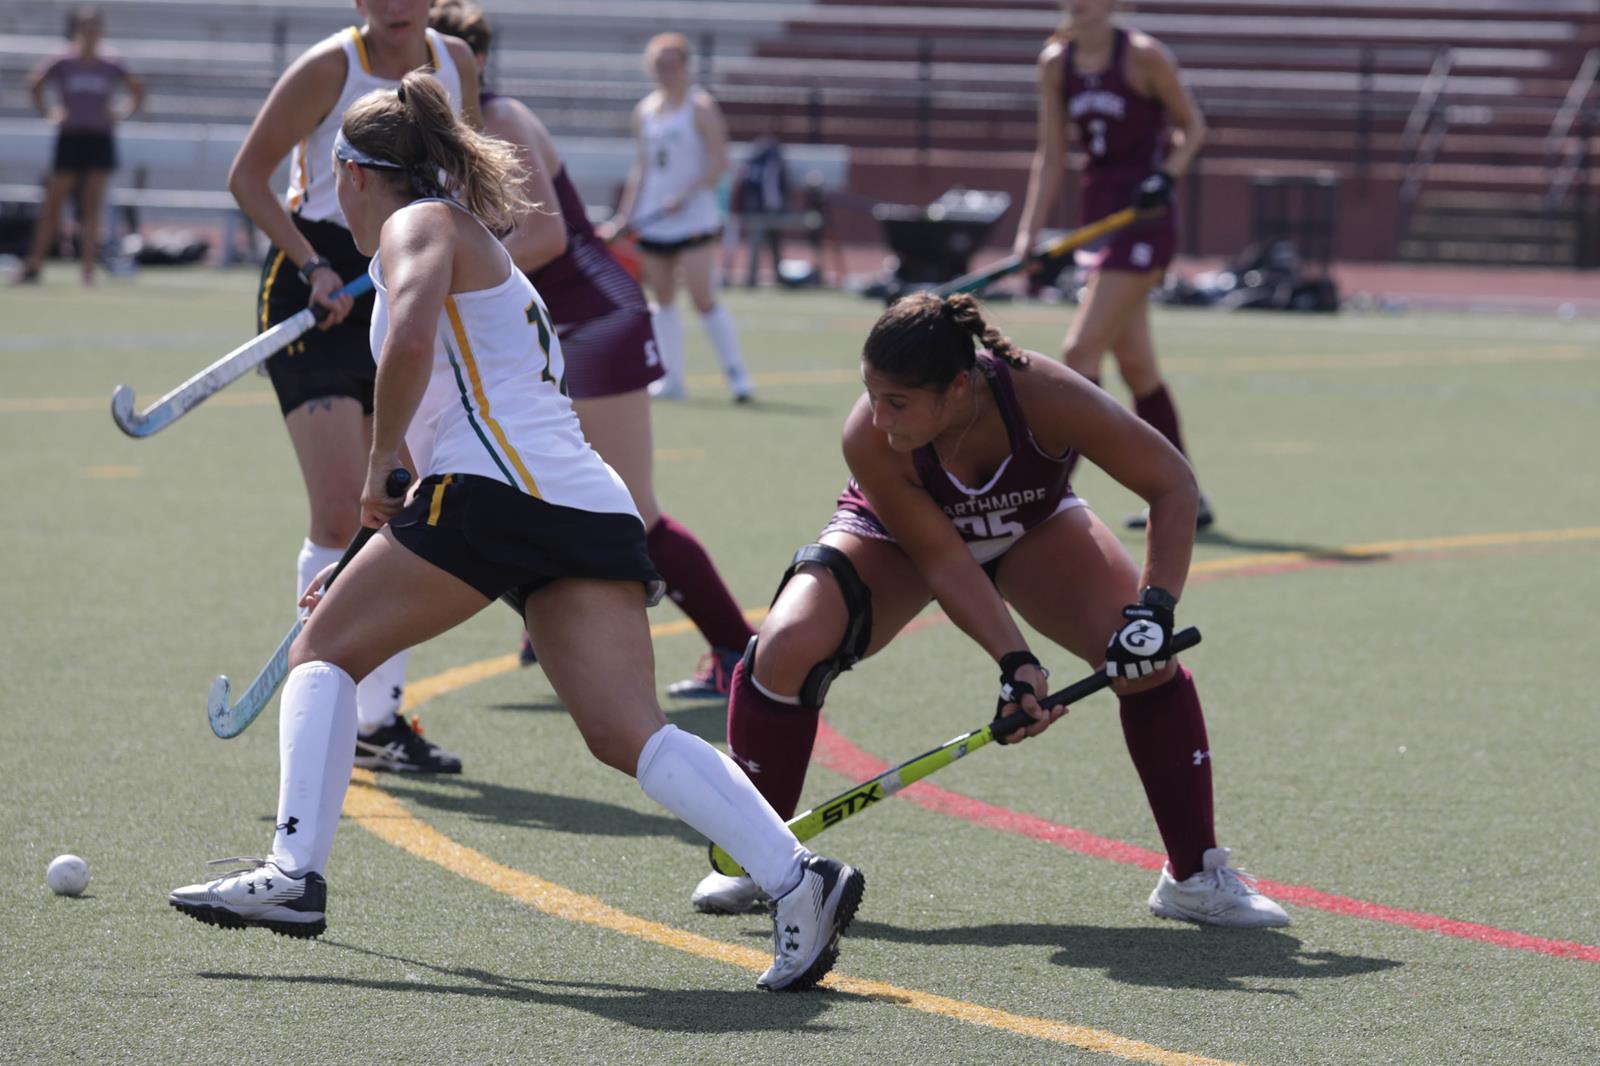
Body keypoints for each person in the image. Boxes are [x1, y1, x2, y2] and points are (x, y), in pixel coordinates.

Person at [168, 75, 865, 992]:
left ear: (353, 173)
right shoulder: (461, 235)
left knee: (323, 651)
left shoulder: (419, 227)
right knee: (629, 733)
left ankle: (294, 877)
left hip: (498, 497)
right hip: (585, 505)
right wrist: (405, 472)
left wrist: (381, 471)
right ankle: (797, 878)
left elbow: (413, 340)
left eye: (329, 169)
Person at [688, 291, 1288, 930]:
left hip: (1032, 527)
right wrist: (1017, 663)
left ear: (956, 387)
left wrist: (1155, 610)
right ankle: (762, 860)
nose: (880, 417)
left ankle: (1194, 876)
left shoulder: (1046, 395)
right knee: (786, 647)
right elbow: (945, 561)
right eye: (872, 394)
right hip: (898, 538)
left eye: (899, 402)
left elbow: (1173, 482)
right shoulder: (870, 435)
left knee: (1147, 663)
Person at [428, 1, 755, 699]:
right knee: (537, 482)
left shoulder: (502, 118)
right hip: (550, 324)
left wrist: (446, 281)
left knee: (634, 507)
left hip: (595, 314)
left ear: (475, 61)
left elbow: (545, 240)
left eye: (445, 55)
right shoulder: (446, 133)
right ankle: (552, 614)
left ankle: (738, 651)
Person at [226, 0, 480, 773]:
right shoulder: (328, 67)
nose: (396, 4)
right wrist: (313, 265)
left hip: (408, 268)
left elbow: (466, 171)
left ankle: (378, 721)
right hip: (320, 284)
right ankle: (318, 707)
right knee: (342, 507)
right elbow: (249, 178)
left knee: (399, 503)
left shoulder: (455, 63)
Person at [1010, 0, 1213, 530]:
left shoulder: (1143, 56)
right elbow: (1051, 153)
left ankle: (1044, 495)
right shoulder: (1055, 62)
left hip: (1144, 219)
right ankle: (1189, 495)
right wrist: (1029, 233)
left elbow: (1193, 128)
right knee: (1137, 368)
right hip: (1099, 216)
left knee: (1079, 350)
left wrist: (1166, 175)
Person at [606, 33, 753, 402]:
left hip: (693, 219)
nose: (665, 73)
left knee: (703, 297)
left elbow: (720, 161)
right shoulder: (645, 111)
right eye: (658, 66)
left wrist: (686, 195)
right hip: (655, 220)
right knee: (664, 297)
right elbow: (642, 168)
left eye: (671, 65)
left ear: (686, 66)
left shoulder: (700, 107)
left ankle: (737, 376)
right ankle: (671, 378)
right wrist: (626, 215)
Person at [15, 7, 143, 286]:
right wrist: (49, 113)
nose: (90, 33)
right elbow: (34, 84)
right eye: (85, 27)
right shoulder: (63, 60)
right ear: (75, 30)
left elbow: (137, 89)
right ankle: (34, 265)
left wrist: (122, 112)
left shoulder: (110, 62)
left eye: (94, 27)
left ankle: (87, 270)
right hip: (71, 138)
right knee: (54, 202)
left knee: (91, 205)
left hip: (99, 138)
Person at [733, 134, 789, 288]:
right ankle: (752, 278)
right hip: (757, 210)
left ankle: (778, 276)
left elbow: (782, 186)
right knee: (756, 242)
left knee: (774, 242)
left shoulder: (774, 162)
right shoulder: (754, 163)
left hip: (771, 209)